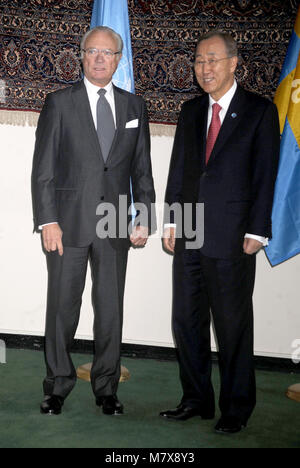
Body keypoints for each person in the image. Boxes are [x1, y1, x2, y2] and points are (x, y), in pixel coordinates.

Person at [32, 26, 156, 416]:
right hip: (66, 225)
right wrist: (47, 220)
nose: (100, 58)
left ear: (119, 60)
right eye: (93, 51)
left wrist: (145, 214)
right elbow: (43, 170)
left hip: (116, 224)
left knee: (110, 309)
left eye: (108, 52)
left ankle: (107, 388)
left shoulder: (135, 108)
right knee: (62, 308)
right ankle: (57, 386)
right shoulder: (59, 103)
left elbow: (142, 170)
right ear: (81, 56)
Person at [161, 31, 280, 434]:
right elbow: (180, 169)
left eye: (212, 60)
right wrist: (172, 220)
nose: (204, 68)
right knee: (187, 321)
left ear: (233, 63)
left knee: (231, 325)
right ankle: (195, 399)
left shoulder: (259, 111)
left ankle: (236, 408)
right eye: (198, 61)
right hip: (190, 230)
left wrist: (259, 229)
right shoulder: (190, 110)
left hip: (233, 234)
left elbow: (267, 176)